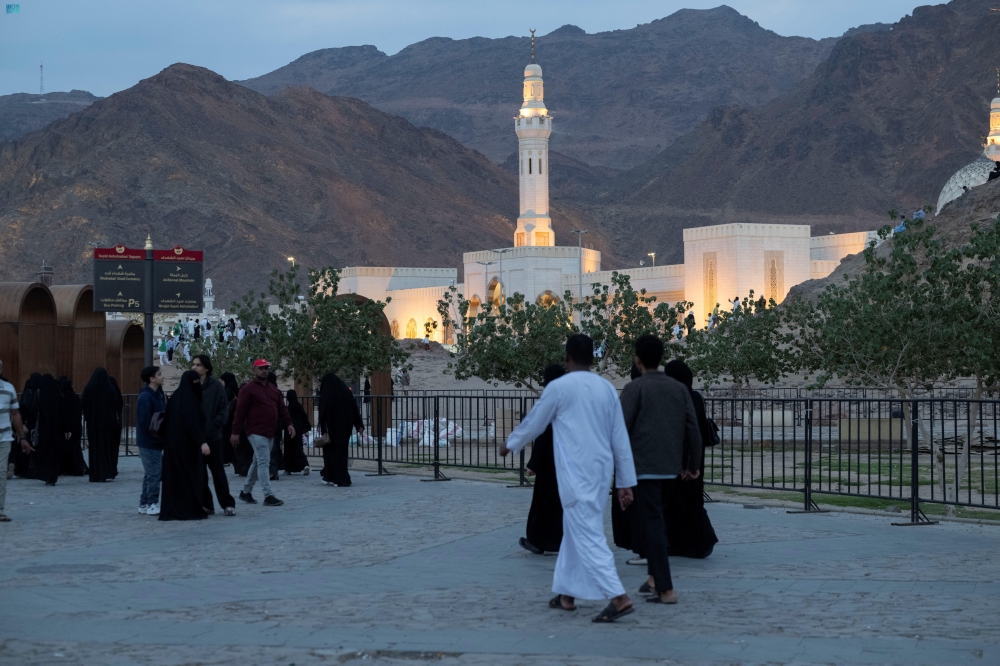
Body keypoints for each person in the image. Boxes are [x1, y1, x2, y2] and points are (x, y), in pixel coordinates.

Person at [501, 334, 637, 623]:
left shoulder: (560, 387)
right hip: (600, 473)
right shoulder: (606, 388)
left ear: (567, 357)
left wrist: (510, 444)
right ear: (593, 357)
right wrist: (625, 481)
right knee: (575, 530)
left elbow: (535, 422)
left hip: (576, 474)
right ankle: (566, 595)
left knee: (586, 533)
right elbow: (620, 439)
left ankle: (618, 597)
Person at [620, 334, 702, 605]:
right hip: (672, 468)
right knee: (656, 521)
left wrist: (620, 472)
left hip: (644, 469)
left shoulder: (635, 389)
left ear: (638, 360)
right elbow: (693, 430)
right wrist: (692, 466)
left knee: (653, 523)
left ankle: (665, 589)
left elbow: (620, 432)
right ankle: (654, 579)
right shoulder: (678, 388)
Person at [663, 359, 719, 559]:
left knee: (677, 502)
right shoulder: (695, 396)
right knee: (691, 501)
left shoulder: (677, 397)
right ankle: (693, 542)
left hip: (681, 459)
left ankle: (694, 542)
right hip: (694, 458)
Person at [229, 359, 293, 506]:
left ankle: (246, 491)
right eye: (261, 368)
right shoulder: (248, 389)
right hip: (255, 430)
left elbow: (282, 408)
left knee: (258, 461)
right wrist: (235, 431)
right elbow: (240, 412)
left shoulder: (273, 389)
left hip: (270, 431)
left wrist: (289, 423)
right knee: (264, 461)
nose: (264, 370)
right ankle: (268, 494)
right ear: (255, 370)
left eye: (266, 368)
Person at [519, 363, 566, 555]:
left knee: (545, 504)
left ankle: (539, 541)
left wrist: (534, 464)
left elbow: (544, 435)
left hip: (551, 464)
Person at [159, 371, 211, 521]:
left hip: (173, 445)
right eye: (195, 381)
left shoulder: (176, 397)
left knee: (176, 478)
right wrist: (202, 442)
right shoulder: (190, 400)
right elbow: (192, 424)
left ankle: (175, 508)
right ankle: (188, 508)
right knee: (189, 478)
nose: (197, 384)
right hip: (187, 446)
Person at [190, 355, 236, 516]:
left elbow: (223, 412)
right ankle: (206, 504)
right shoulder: (191, 386)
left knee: (218, 473)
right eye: (193, 364)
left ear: (206, 368)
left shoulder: (216, 386)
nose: (194, 367)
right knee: (200, 474)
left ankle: (227, 504)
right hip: (197, 439)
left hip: (214, 438)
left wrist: (211, 428)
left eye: (198, 365)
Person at [0, 358, 32, 522]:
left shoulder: (8, 389)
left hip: (4, 437)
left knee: (1, 473)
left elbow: (15, 414)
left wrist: (22, 437)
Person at [318, 373, 363, 487]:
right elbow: (354, 408)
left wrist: (321, 424)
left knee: (330, 453)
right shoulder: (346, 392)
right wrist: (359, 425)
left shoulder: (327, 393)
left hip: (331, 428)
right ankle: (341, 477)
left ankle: (333, 477)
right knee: (341, 453)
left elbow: (323, 410)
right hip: (345, 428)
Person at [136, 366, 167, 515]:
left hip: (156, 439)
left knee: (150, 473)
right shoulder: (146, 397)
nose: (163, 377)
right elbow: (145, 421)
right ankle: (152, 503)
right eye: (159, 374)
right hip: (149, 441)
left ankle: (144, 503)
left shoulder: (158, 395)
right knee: (154, 473)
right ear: (152, 378)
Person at [82, 368, 120, 482]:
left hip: (93, 424)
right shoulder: (109, 389)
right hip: (107, 424)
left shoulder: (89, 388)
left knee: (94, 449)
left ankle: (95, 473)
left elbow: (84, 404)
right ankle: (106, 472)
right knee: (106, 448)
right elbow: (115, 405)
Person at [10, 373, 40, 479]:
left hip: (28, 423)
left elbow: (23, 408)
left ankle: (23, 469)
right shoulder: (41, 392)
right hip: (36, 424)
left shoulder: (29, 392)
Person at [57, 376, 87, 477]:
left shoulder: (62, 397)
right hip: (76, 426)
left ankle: (66, 468)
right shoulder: (75, 397)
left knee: (65, 448)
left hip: (66, 427)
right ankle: (77, 468)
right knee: (75, 448)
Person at [282, 389, 311, 475]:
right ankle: (304, 465)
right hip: (298, 431)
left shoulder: (288, 409)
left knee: (289, 451)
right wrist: (304, 430)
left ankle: (289, 468)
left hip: (289, 432)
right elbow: (304, 419)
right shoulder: (299, 407)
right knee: (298, 449)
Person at [219, 372, 239, 466]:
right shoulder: (234, 389)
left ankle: (225, 459)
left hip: (227, 419)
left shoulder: (227, 391)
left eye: (222, 380)